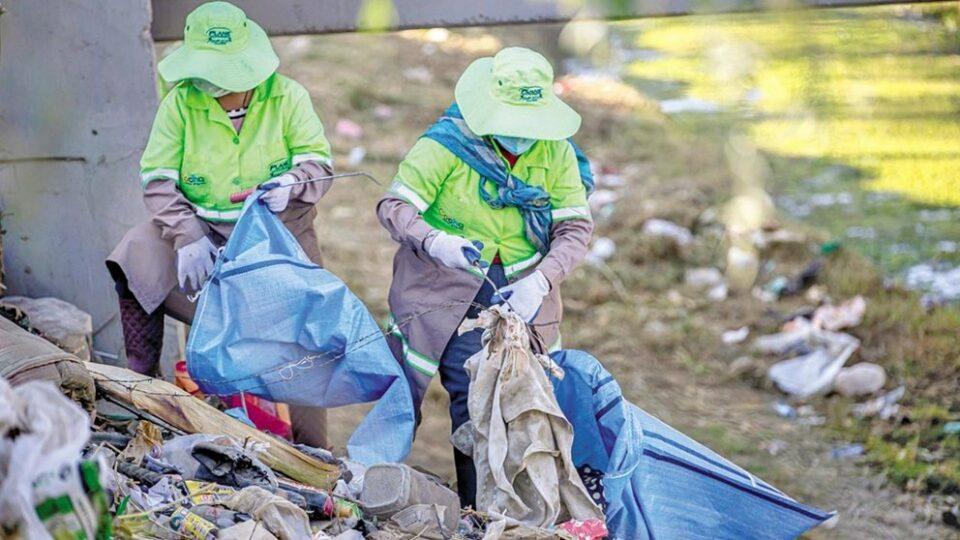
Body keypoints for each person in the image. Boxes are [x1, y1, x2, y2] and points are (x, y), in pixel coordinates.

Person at [106, 1, 332, 447]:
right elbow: (157, 178)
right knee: (135, 258)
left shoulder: (288, 97)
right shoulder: (180, 103)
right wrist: (188, 236)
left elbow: (318, 163)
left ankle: (312, 451)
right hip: (200, 227)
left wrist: (292, 183)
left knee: (306, 340)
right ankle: (142, 392)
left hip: (277, 231)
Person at [377, 47, 594, 507]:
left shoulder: (556, 153)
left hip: (521, 295)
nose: (520, 137)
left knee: (511, 402)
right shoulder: (444, 146)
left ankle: (506, 509)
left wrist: (541, 281)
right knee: (434, 391)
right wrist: (435, 241)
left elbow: (575, 227)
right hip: (442, 288)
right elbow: (394, 207)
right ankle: (389, 490)